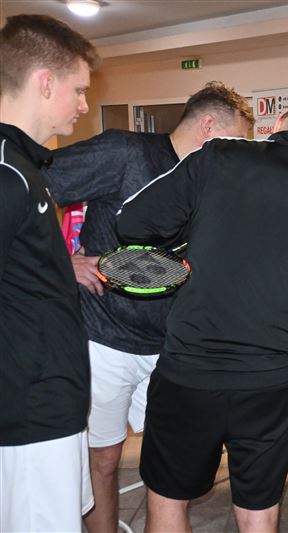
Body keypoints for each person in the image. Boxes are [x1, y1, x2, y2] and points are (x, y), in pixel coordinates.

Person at [116, 104, 288, 532]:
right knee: (258, 510)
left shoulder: (219, 156)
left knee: (169, 498)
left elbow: (132, 223)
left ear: (275, 129)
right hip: (271, 381)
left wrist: (188, 241)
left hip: (190, 374)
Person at [42, 80, 254, 533]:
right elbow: (30, 190)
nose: (239, 152)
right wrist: (61, 261)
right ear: (209, 126)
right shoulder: (125, 152)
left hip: (170, 345)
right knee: (104, 459)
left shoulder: (209, 180)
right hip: (105, 338)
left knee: (171, 463)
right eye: (236, 139)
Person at [0, 14, 99, 531]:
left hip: (52, 400)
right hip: (29, 410)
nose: (84, 105)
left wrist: (63, 266)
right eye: (78, 90)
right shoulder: (6, 172)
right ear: (44, 82)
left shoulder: (26, 166)